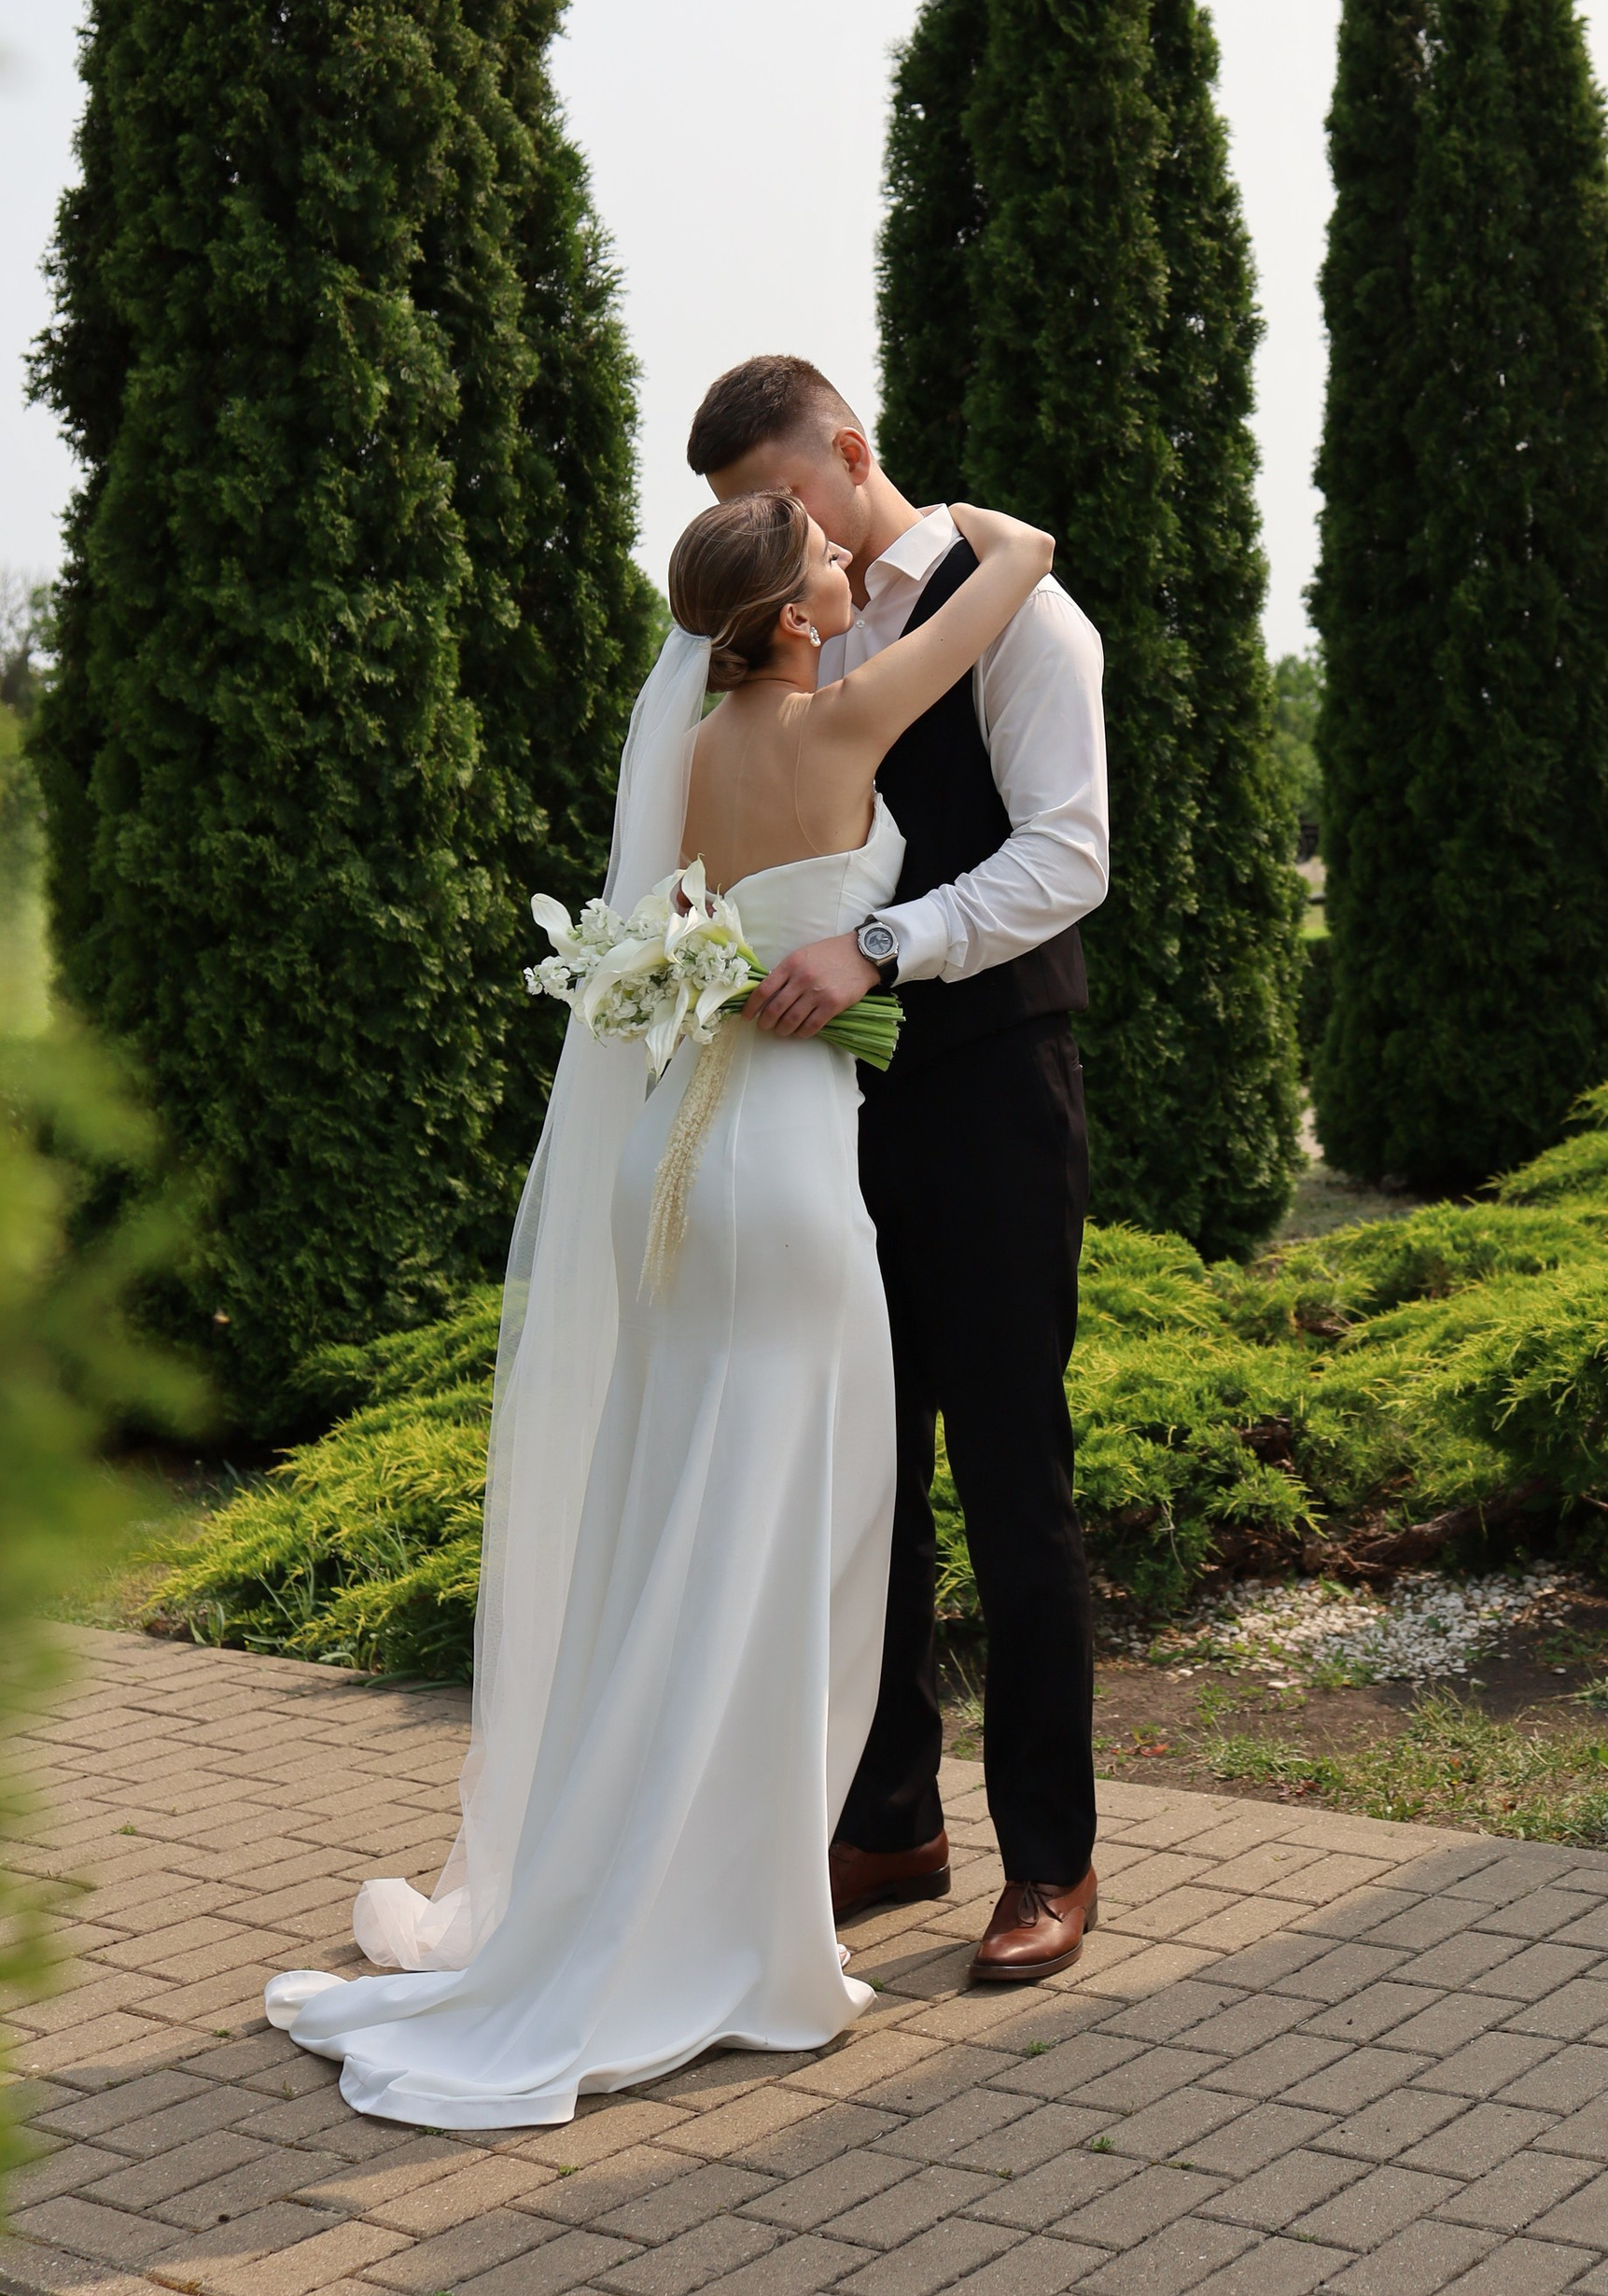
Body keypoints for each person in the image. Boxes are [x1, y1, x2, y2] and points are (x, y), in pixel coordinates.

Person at [262, 488, 1053, 2127]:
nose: (848, 563)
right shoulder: (846, 718)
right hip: (779, 1180)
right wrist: (952, 514)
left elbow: (692, 946)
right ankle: (716, 1927)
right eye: (824, 561)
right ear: (788, 619)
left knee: (678, 1525)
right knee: (780, 1542)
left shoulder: (681, 755)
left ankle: (656, 1889)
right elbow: (1022, 566)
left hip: (672, 1167)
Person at [690, 352, 1108, 1987]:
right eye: (742, 524)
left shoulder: (1027, 618)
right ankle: (889, 1817)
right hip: (824, 1111)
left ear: (848, 453)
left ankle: (1051, 1858)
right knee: (862, 1473)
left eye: (780, 504)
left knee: (1011, 1476)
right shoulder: (796, 641)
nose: (770, 547)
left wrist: (879, 945)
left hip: (992, 1090)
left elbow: (1066, 855)